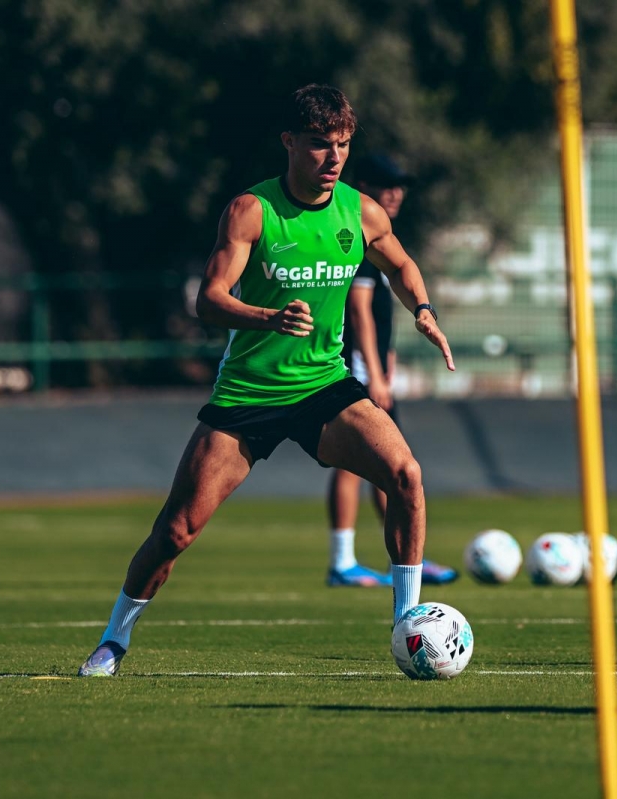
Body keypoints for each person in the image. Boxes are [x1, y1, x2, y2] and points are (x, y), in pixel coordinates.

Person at [80, 84, 455, 677]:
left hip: (324, 387)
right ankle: (113, 639)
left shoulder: (361, 212)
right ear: (289, 142)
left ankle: (408, 622)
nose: (334, 157)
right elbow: (209, 300)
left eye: (343, 145)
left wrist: (424, 310)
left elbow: (400, 264)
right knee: (176, 532)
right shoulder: (251, 211)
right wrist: (267, 317)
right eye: (320, 144)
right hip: (248, 395)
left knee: (406, 474)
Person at [324, 153, 457, 587]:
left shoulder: (378, 236)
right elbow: (359, 311)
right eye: (386, 185)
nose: (396, 193)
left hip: (375, 369)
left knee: (392, 468)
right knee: (353, 464)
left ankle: (404, 559)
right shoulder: (356, 233)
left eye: (400, 186)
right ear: (364, 187)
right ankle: (343, 561)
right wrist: (375, 375)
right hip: (359, 372)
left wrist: (389, 359)